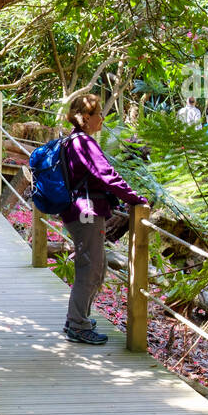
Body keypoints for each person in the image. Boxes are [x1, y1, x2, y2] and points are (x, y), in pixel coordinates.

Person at [59, 94, 150, 345]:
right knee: (91, 269)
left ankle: (77, 319)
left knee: (94, 268)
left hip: (78, 210)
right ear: (86, 118)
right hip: (85, 212)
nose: (102, 118)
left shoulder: (71, 140)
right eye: (99, 113)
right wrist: (135, 198)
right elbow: (106, 174)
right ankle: (77, 324)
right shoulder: (84, 143)